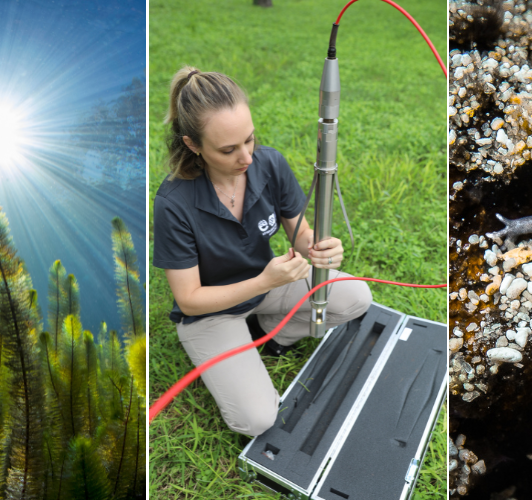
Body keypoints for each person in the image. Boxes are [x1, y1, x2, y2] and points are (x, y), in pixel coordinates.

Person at [153, 67, 372, 436]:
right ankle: (239, 340)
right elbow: (189, 300)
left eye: (249, 140)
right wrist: (263, 281)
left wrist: (320, 248)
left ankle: (269, 331)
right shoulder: (173, 202)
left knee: (356, 297)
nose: (246, 158)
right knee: (256, 420)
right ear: (193, 145)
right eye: (228, 149)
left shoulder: (269, 164)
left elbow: (300, 232)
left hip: (268, 284)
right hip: (211, 312)